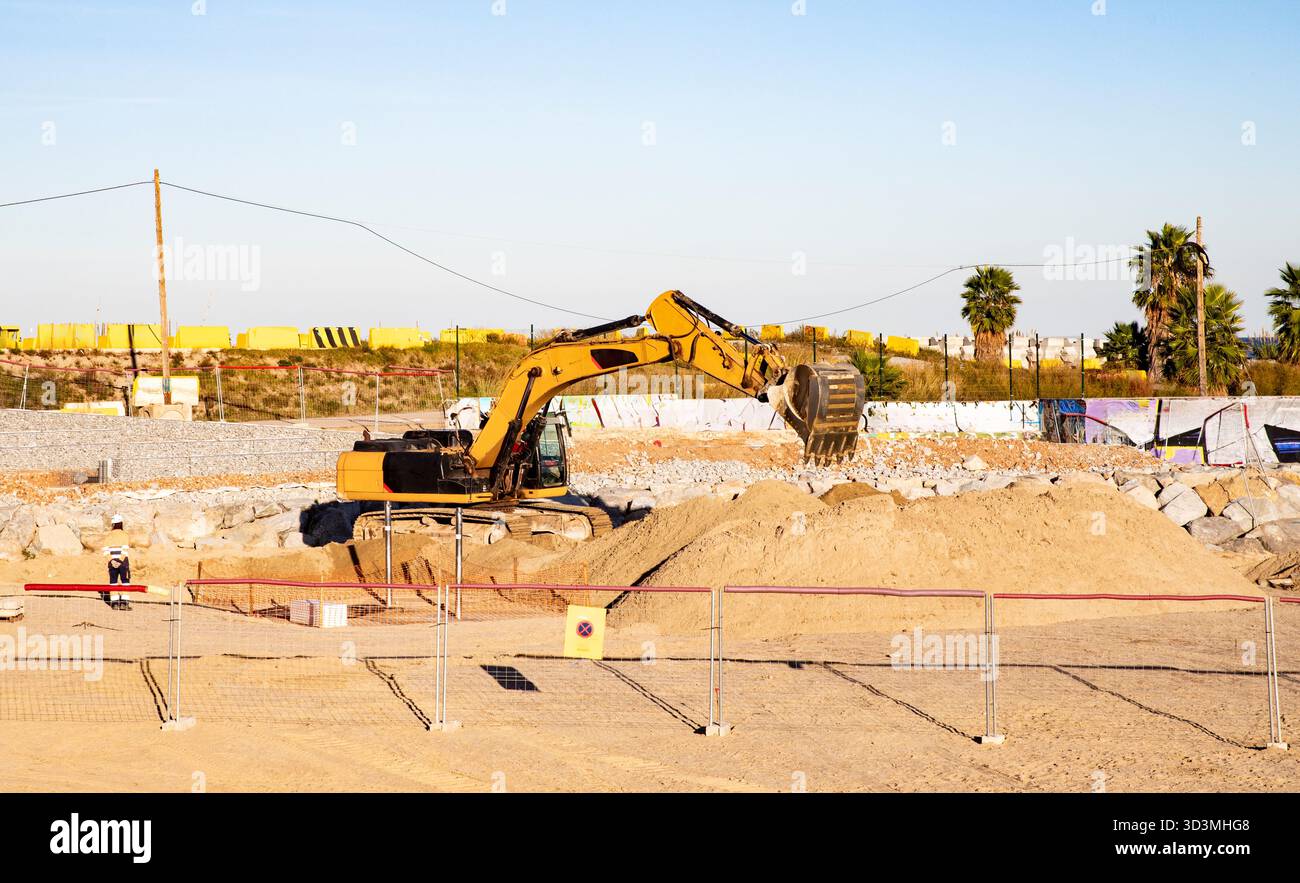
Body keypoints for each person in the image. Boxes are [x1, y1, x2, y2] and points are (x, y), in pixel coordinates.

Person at [102, 515, 131, 608]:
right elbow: (125, 549)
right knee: (125, 581)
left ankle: (114, 603)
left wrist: (112, 560)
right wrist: (120, 561)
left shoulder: (108, 536)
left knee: (113, 581)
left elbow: (105, 550)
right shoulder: (125, 535)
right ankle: (124, 602)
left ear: (113, 524)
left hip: (111, 562)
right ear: (121, 523)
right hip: (123, 562)